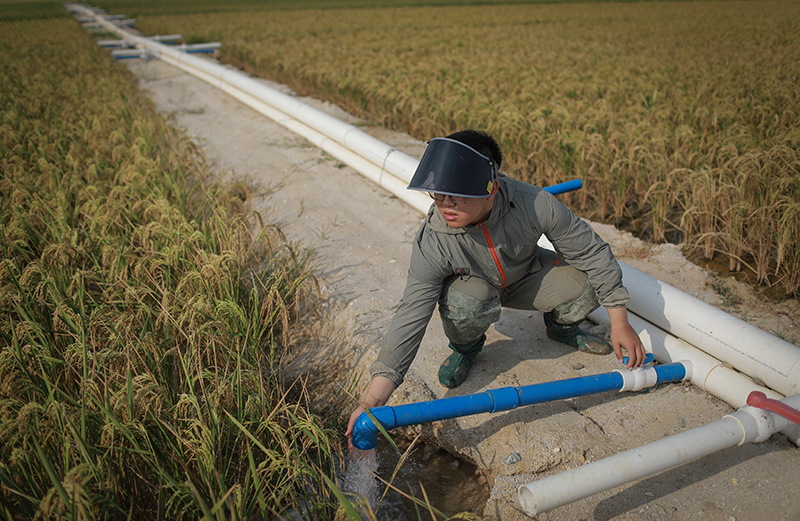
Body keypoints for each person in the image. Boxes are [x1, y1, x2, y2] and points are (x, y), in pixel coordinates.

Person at [345, 130, 645, 452]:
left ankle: (562, 327)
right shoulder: (434, 240)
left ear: (492, 186)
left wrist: (619, 322)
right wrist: (373, 399)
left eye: (458, 194)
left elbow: (591, 252)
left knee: (586, 282)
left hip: (526, 276)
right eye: (439, 194)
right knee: (464, 304)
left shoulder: (534, 203)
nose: (447, 203)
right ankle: (466, 348)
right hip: (475, 289)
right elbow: (411, 315)